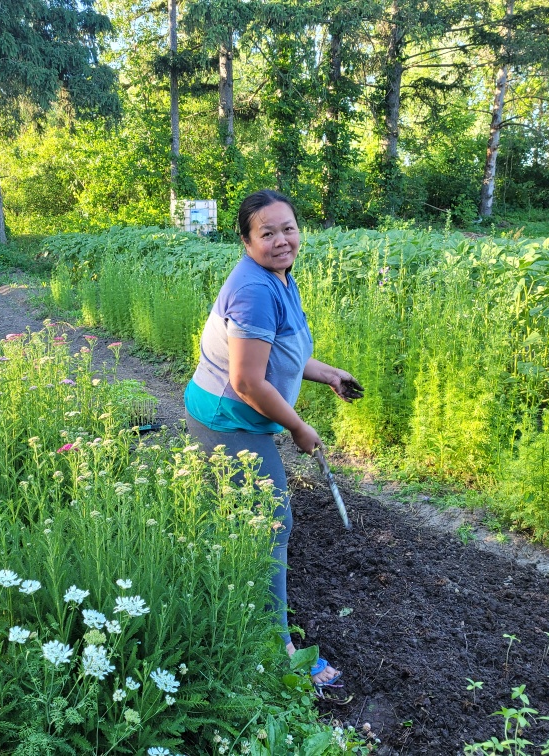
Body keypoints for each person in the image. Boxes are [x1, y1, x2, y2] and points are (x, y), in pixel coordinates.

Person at [184, 189, 362, 688]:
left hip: (235, 413)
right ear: (245, 241)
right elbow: (246, 381)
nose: (282, 240)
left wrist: (327, 373)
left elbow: (279, 354)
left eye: (288, 228)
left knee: (243, 519)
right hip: (228, 420)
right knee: (270, 522)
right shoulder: (255, 290)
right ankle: (276, 645)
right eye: (267, 233)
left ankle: (225, 595)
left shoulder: (279, 277)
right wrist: (299, 427)